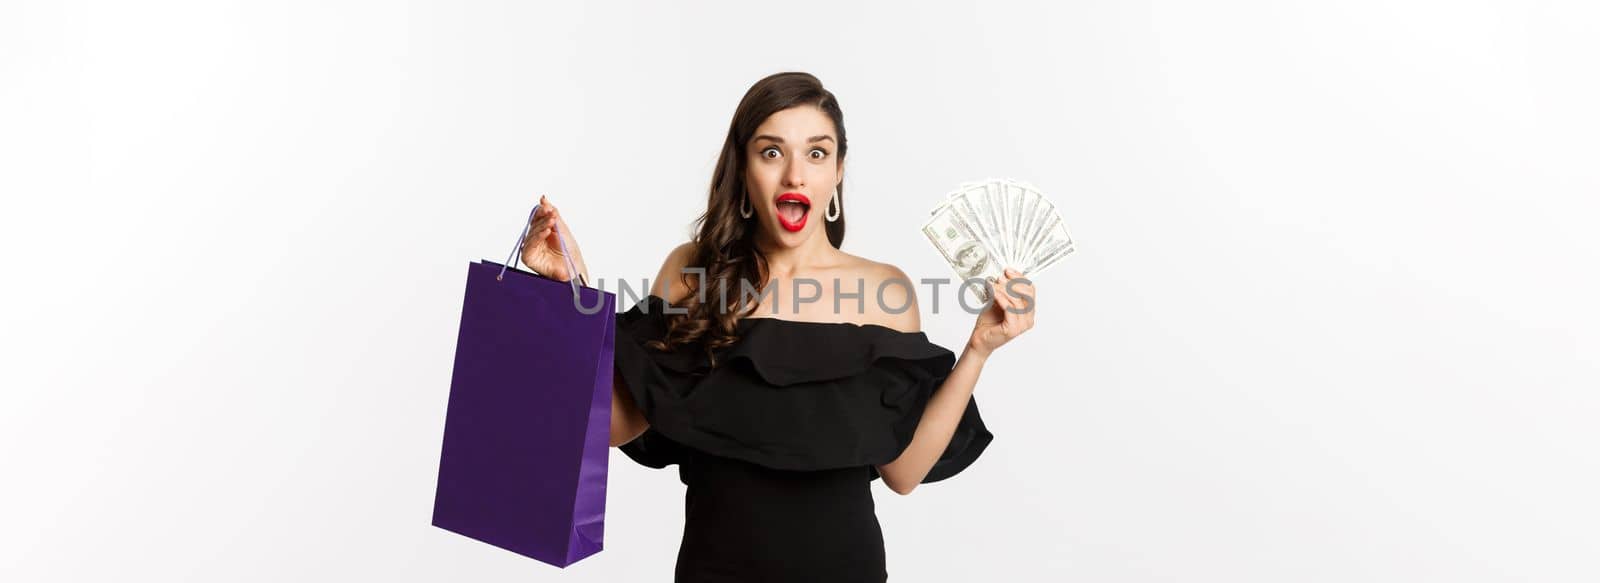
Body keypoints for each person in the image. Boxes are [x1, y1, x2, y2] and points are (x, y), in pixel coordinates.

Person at [518, 72, 1037, 582]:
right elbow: (615, 426)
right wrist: (575, 295)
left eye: (816, 153)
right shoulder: (692, 273)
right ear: (743, 170)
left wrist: (978, 349)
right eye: (771, 152)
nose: (795, 175)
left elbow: (902, 473)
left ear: (837, 171)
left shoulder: (887, 290)